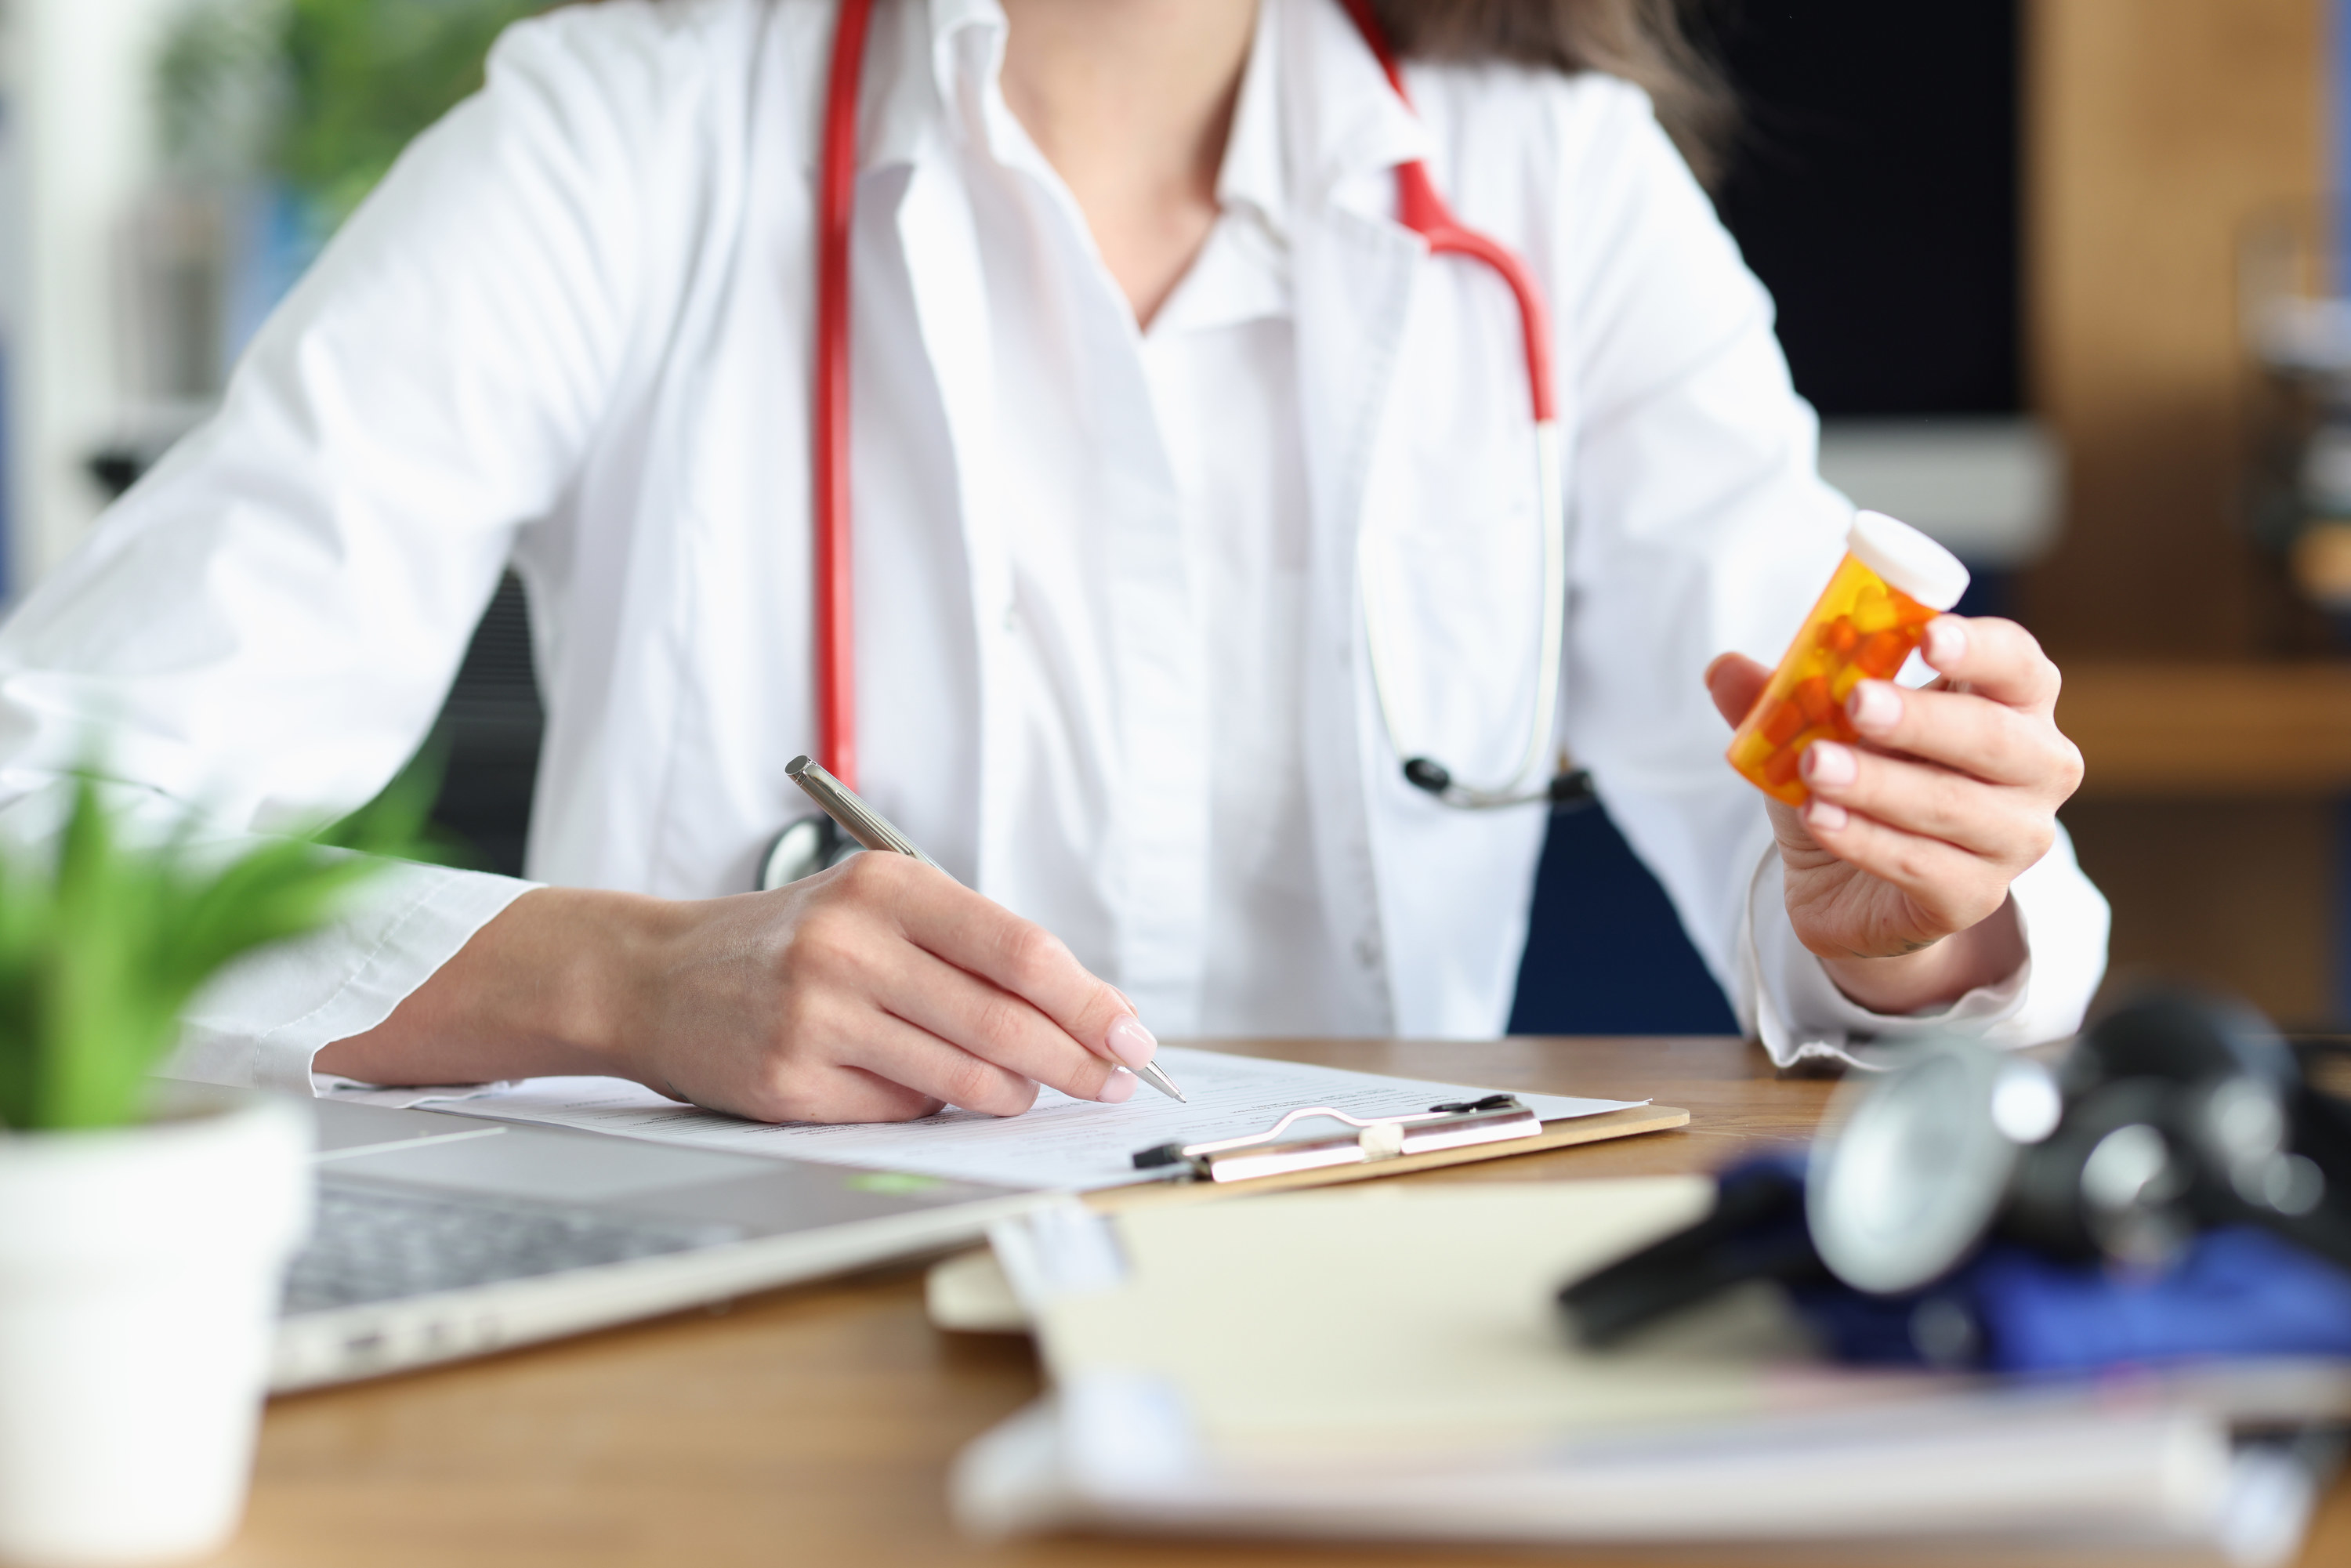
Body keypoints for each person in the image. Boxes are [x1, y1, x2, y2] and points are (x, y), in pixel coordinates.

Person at [0, 0, 2105, 1124]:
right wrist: (613, 977)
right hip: (738, 1358)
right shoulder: (616, 142)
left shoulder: (1556, 188)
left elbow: (1883, 884)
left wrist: (1907, 917)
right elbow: (47, 837)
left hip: (1355, 1354)